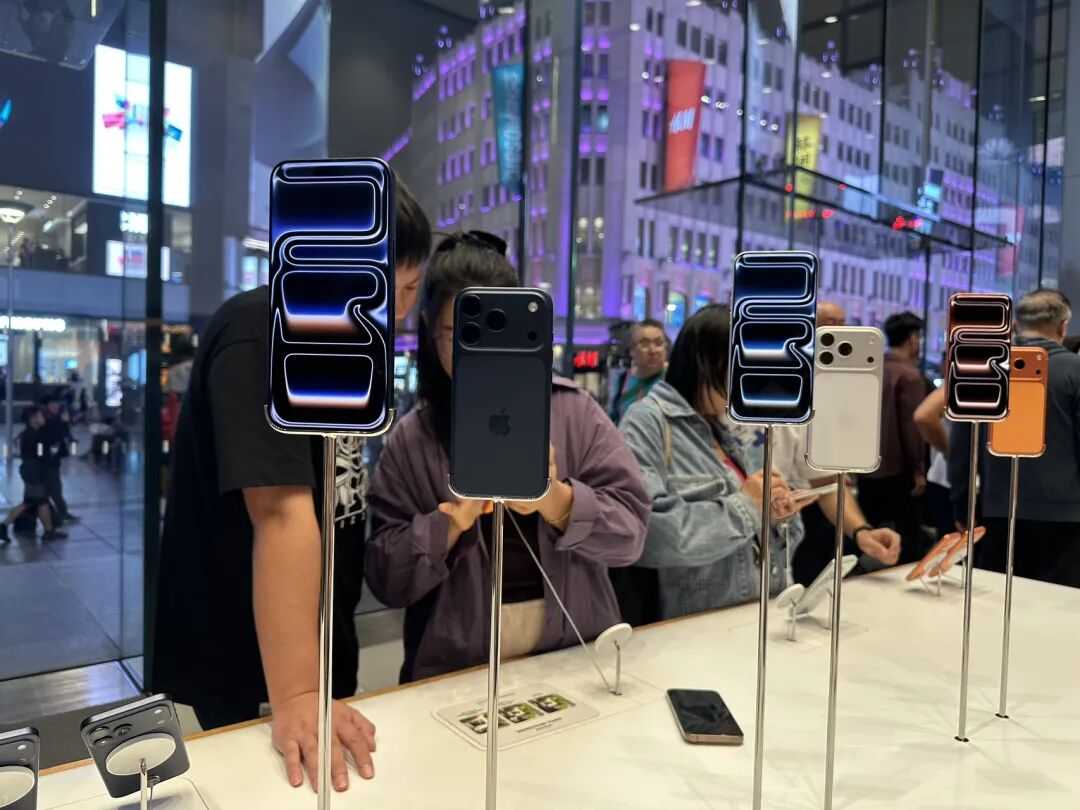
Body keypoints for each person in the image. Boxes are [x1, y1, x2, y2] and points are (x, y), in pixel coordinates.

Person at [151, 177, 431, 793]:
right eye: (402, 288)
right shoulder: (261, 331)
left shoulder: (344, 344)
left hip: (316, 653)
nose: (403, 312)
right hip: (249, 663)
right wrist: (300, 691)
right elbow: (280, 512)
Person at [366, 231, 648, 682]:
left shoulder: (575, 412)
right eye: (459, 334)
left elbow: (631, 536)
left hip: (576, 660)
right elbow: (386, 579)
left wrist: (555, 500)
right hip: (455, 674)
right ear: (431, 335)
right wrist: (448, 525)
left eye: (496, 331)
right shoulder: (413, 438)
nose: (478, 352)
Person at [618, 304, 812, 622]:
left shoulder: (722, 424)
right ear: (706, 363)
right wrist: (748, 506)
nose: (746, 383)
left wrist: (778, 514)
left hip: (757, 613)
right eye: (740, 370)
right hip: (695, 626)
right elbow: (649, 534)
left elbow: (763, 531)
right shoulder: (647, 421)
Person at [949, 289, 1080, 586]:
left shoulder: (984, 368)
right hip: (1066, 516)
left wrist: (963, 504)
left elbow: (962, 445)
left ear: (1016, 324)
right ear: (1063, 326)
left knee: (998, 596)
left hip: (997, 510)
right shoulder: (1075, 371)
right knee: (1056, 602)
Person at [775, 301, 902, 584]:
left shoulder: (847, 382)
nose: (839, 330)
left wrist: (861, 531)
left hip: (805, 514)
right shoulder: (787, 386)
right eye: (830, 322)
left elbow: (826, 480)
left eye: (842, 322)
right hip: (778, 520)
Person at [858, 311, 928, 561]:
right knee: (908, 538)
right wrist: (918, 469)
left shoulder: (871, 370)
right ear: (912, 339)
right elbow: (912, 426)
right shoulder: (909, 376)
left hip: (866, 467)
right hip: (898, 471)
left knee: (864, 532)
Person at [1, 407, 66, 542]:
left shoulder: (28, 433)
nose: (43, 418)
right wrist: (52, 453)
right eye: (40, 416)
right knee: (40, 501)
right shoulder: (34, 435)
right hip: (34, 473)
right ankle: (48, 532)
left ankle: (4, 526)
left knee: (31, 502)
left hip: (30, 471)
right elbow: (40, 454)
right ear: (33, 419)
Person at [609, 318, 668, 423]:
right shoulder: (622, 381)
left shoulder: (674, 379)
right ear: (632, 350)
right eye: (644, 344)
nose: (652, 350)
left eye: (658, 343)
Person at [39, 394, 75, 523]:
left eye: (57, 404)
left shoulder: (55, 417)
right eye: (53, 404)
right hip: (47, 460)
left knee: (51, 489)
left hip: (53, 459)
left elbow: (63, 434)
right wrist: (62, 421)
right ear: (47, 406)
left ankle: (58, 514)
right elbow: (48, 436)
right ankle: (61, 514)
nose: (56, 406)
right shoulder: (45, 419)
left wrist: (65, 422)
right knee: (54, 489)